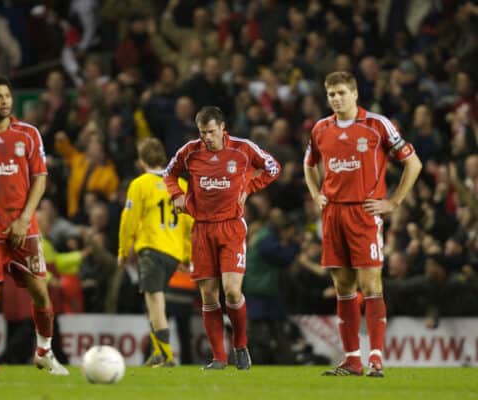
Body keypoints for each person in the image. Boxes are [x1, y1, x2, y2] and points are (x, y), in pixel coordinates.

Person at [303, 71, 423, 377]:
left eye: (342, 93)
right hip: (333, 215)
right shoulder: (320, 128)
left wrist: (394, 201)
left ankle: (377, 358)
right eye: (331, 94)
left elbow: (413, 162)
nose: (336, 99)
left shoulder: (376, 125)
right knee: (343, 287)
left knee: (371, 285)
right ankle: (352, 359)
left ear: (355, 94)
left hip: (364, 213)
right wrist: (316, 194)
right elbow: (309, 164)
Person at [0, 74, 68, 375]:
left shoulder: (29, 134)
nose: (4, 101)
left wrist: (23, 219)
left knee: (40, 292)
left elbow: (40, 179)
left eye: (7, 96)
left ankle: (44, 351)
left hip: (25, 228)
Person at [163, 106, 280, 370]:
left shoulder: (243, 149)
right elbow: (168, 174)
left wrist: (250, 187)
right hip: (202, 228)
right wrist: (177, 195)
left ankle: (240, 345)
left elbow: (273, 168)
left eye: (212, 132)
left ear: (222, 128)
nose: (207, 138)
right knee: (208, 296)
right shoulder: (189, 151)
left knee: (232, 290)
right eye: (203, 132)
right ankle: (219, 357)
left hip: (230, 227)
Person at [118, 137, 193, 367]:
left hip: (151, 249)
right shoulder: (182, 185)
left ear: (141, 161)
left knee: (155, 301)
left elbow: (128, 220)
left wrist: (123, 249)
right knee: (154, 301)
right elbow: (191, 223)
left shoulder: (140, 184)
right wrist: (187, 255)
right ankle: (159, 353)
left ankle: (166, 355)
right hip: (173, 253)